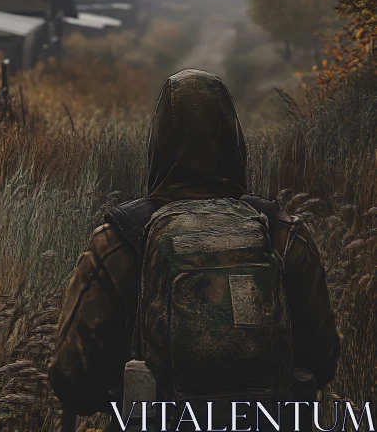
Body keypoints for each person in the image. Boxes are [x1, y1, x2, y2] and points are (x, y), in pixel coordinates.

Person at [48, 69, 339, 425]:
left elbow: (71, 379)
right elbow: (322, 361)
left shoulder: (116, 243)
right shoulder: (284, 237)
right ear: (236, 143)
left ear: (157, 145)